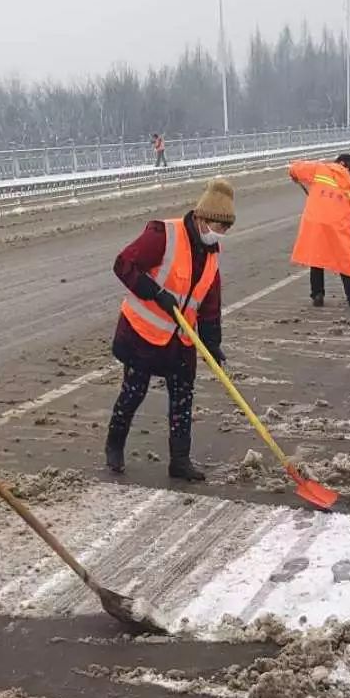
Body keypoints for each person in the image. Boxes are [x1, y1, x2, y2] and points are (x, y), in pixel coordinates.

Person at [105, 179, 234, 480]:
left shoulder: (211, 254)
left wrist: (212, 343)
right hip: (143, 334)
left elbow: (209, 302)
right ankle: (114, 444)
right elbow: (123, 264)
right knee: (133, 393)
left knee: (182, 399)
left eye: (226, 229)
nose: (221, 234)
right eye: (219, 227)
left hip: (180, 340)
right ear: (202, 219)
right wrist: (155, 292)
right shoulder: (164, 235)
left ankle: (180, 461)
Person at [289, 153, 350, 308]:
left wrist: (294, 175)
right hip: (337, 225)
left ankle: (317, 294)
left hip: (315, 221)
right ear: (349, 167)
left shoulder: (319, 169)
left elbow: (294, 167)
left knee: (317, 257)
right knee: (345, 260)